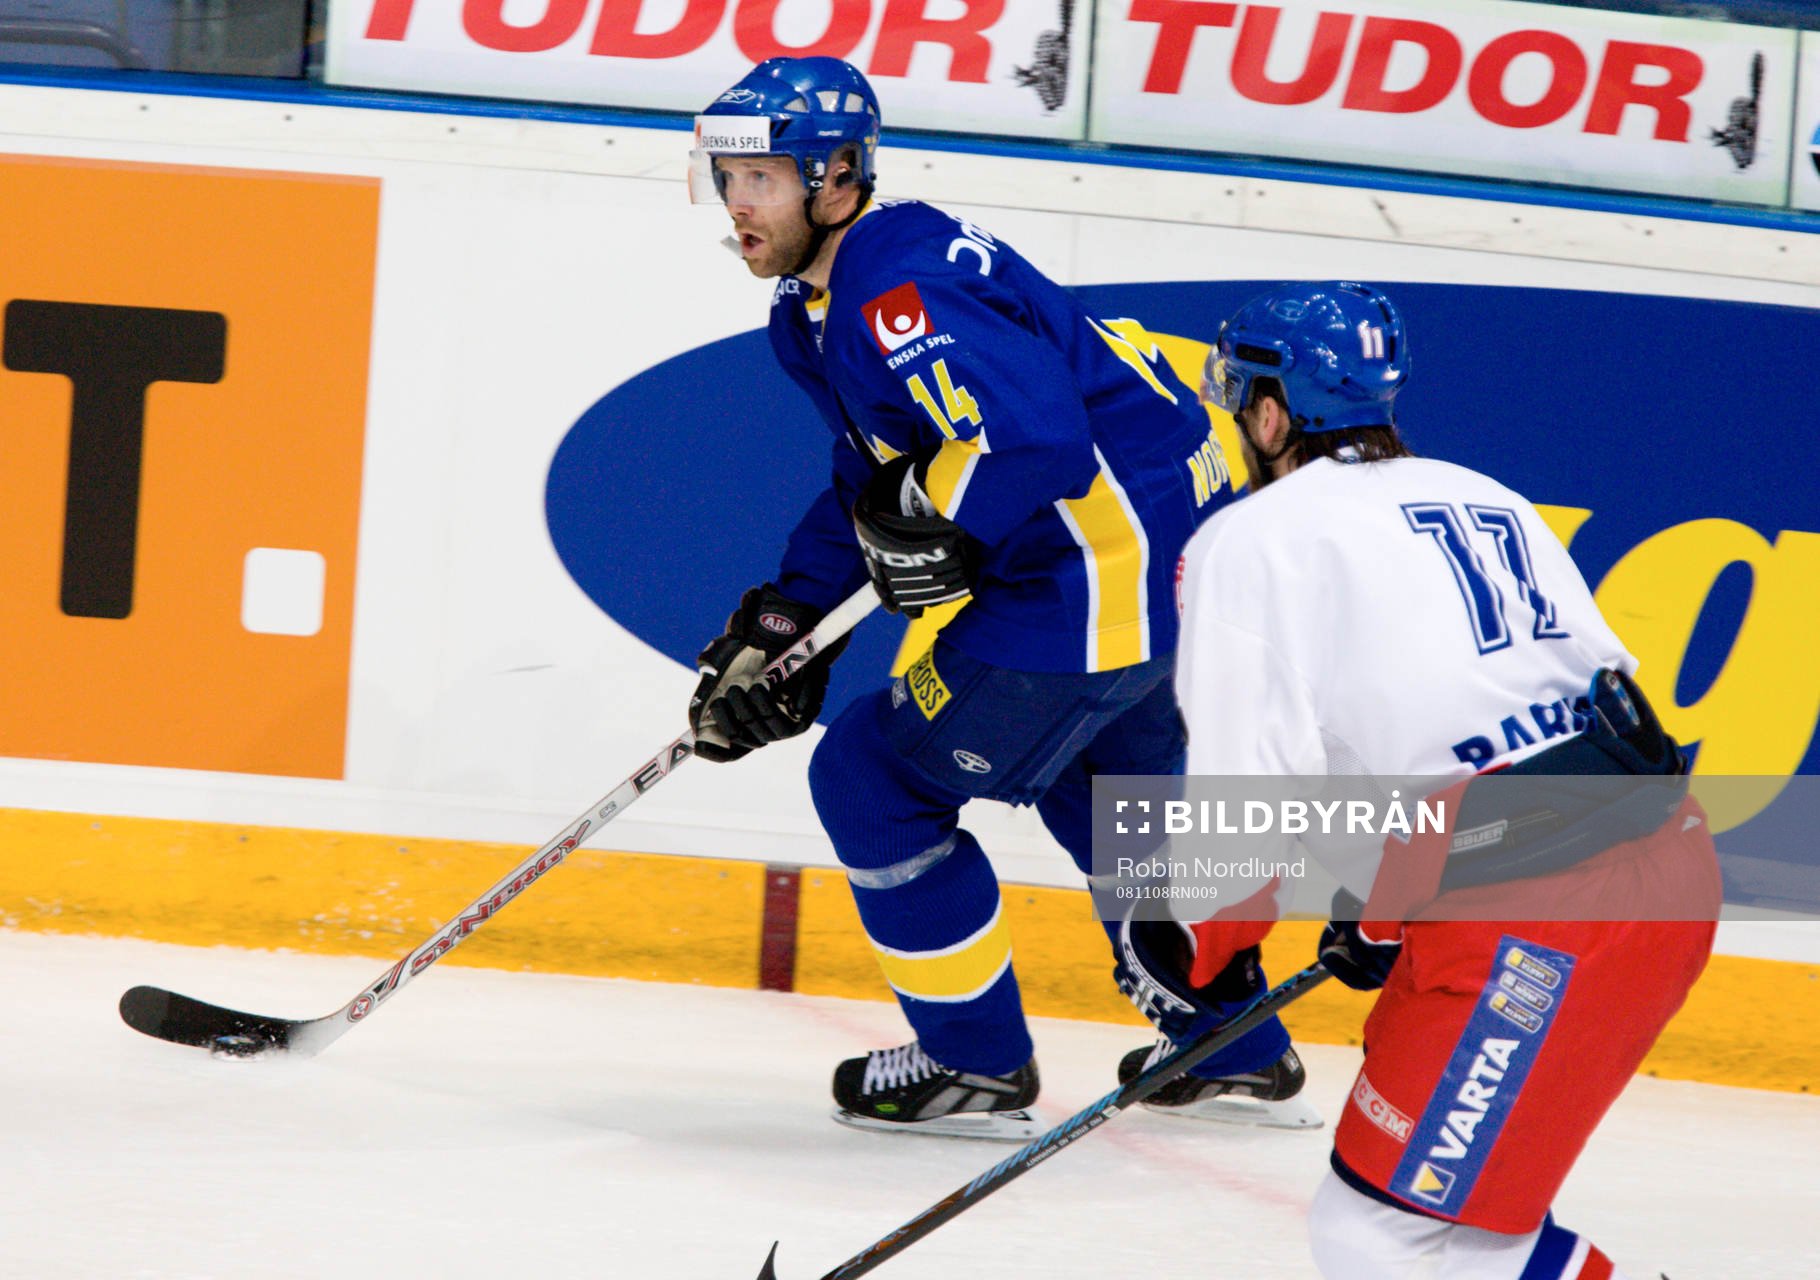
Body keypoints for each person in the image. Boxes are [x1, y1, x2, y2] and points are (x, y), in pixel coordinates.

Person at [682, 55, 1308, 1138]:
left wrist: (942, 518)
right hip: (1165, 577)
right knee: (1112, 801)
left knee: (871, 772)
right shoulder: (830, 296)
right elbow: (878, 468)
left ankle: (970, 1058)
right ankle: (1235, 1039)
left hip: (1088, 584)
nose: (739, 202)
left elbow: (1037, 443)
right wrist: (788, 620)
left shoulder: (893, 293)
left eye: (763, 179)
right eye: (725, 177)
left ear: (835, 176)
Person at [1120, 280, 1720, 1276]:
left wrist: (1190, 942)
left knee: (1385, 1235)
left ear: (1270, 413)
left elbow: (1247, 797)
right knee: (1445, 1232)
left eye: (1240, 407)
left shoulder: (1248, 539)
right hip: (1664, 867)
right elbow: (1575, 722)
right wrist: (1390, 902)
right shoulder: (1487, 496)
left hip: (1535, 915)